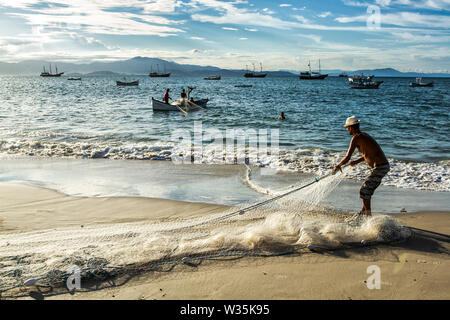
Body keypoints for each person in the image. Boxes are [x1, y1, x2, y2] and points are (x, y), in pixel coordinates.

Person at [333, 116, 389, 219]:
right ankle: (363, 212)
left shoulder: (356, 138)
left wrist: (338, 165)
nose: (347, 130)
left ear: (351, 127)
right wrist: (356, 161)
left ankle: (368, 216)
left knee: (364, 191)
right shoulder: (364, 136)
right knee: (367, 191)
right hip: (382, 167)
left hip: (380, 167)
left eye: (347, 127)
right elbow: (367, 154)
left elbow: (347, 156)